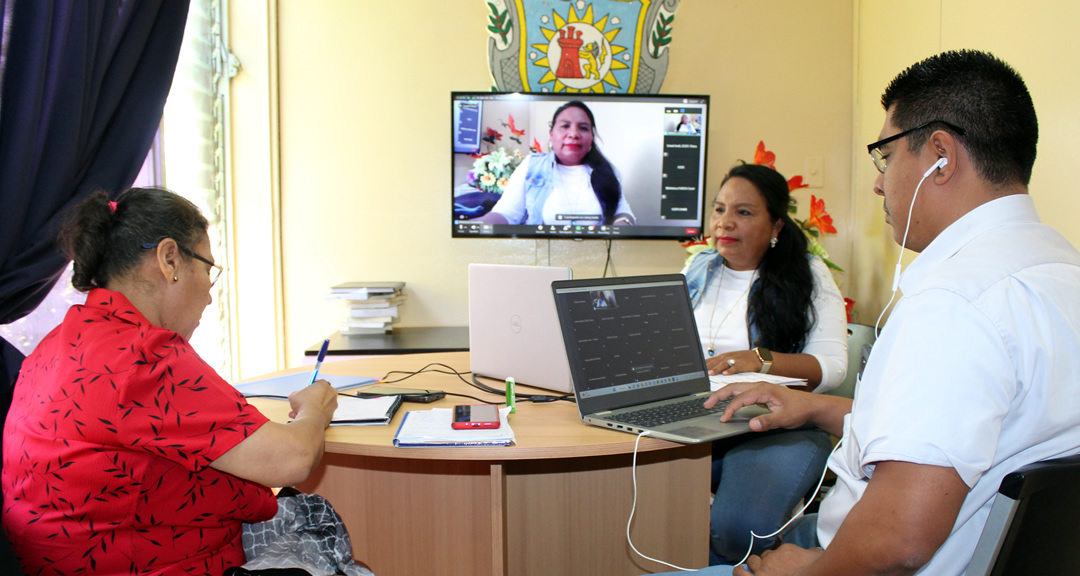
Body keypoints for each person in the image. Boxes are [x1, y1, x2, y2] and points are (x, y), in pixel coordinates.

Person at [654, 49, 1080, 576]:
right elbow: (967, 437)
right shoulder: (1061, 271)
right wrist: (811, 407)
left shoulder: (955, 305)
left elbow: (898, 541)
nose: (879, 182)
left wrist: (803, 573)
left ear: (940, 157)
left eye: (887, 155)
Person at [1, 188, 341, 574]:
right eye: (208, 270)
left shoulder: (58, 342)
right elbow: (293, 459)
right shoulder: (144, 357)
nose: (210, 298)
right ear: (169, 260)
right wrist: (315, 408)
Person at [683, 163, 848, 564]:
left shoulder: (807, 274)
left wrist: (760, 359)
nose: (725, 222)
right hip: (697, 417)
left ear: (775, 226)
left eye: (743, 212)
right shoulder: (698, 268)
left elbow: (832, 368)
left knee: (740, 527)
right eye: (720, 209)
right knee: (629, 496)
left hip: (770, 425)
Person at [475, 100, 635, 226]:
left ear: (591, 138)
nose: (573, 134)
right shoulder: (531, 166)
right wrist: (473, 226)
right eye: (565, 126)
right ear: (552, 134)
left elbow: (623, 213)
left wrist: (621, 228)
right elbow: (506, 213)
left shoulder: (606, 171)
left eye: (583, 128)